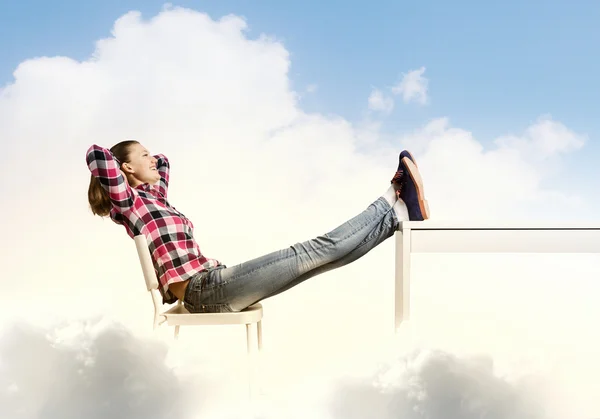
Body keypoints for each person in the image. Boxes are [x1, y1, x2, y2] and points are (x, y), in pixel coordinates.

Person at [86, 141, 429, 313]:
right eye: (142, 155)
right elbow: (96, 155)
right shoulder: (129, 204)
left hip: (211, 284)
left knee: (324, 260)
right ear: (125, 170)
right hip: (204, 291)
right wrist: (122, 164)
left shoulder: (154, 197)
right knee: (313, 250)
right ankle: (392, 196)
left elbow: (164, 163)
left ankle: (396, 217)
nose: (152, 158)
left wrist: (140, 162)